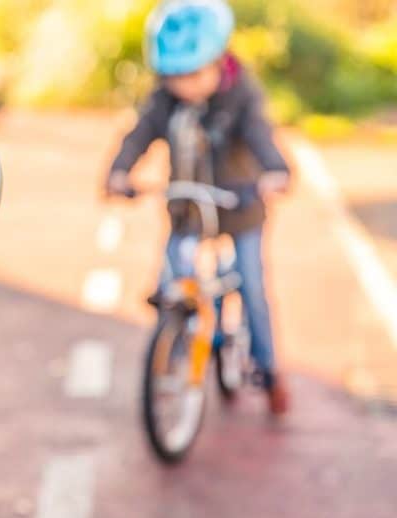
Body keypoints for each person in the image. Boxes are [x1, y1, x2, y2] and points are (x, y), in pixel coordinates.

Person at [105, 0, 291, 415]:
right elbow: (139, 136)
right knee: (173, 275)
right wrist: (119, 171)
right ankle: (172, 342)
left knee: (251, 286)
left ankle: (270, 369)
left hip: (240, 207)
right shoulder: (164, 100)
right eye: (172, 77)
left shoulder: (241, 94)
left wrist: (276, 171)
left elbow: (261, 136)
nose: (182, 86)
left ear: (217, 60)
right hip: (188, 207)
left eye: (192, 74)